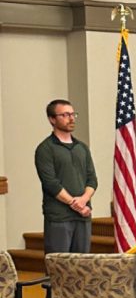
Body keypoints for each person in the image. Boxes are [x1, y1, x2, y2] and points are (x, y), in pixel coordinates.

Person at [34, 99, 97, 254]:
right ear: (52, 119)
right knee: (59, 266)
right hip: (59, 217)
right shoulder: (45, 149)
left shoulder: (82, 147)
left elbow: (92, 179)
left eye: (73, 114)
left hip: (82, 216)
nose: (71, 118)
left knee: (82, 267)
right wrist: (75, 204)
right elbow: (51, 183)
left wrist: (83, 201)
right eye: (65, 115)